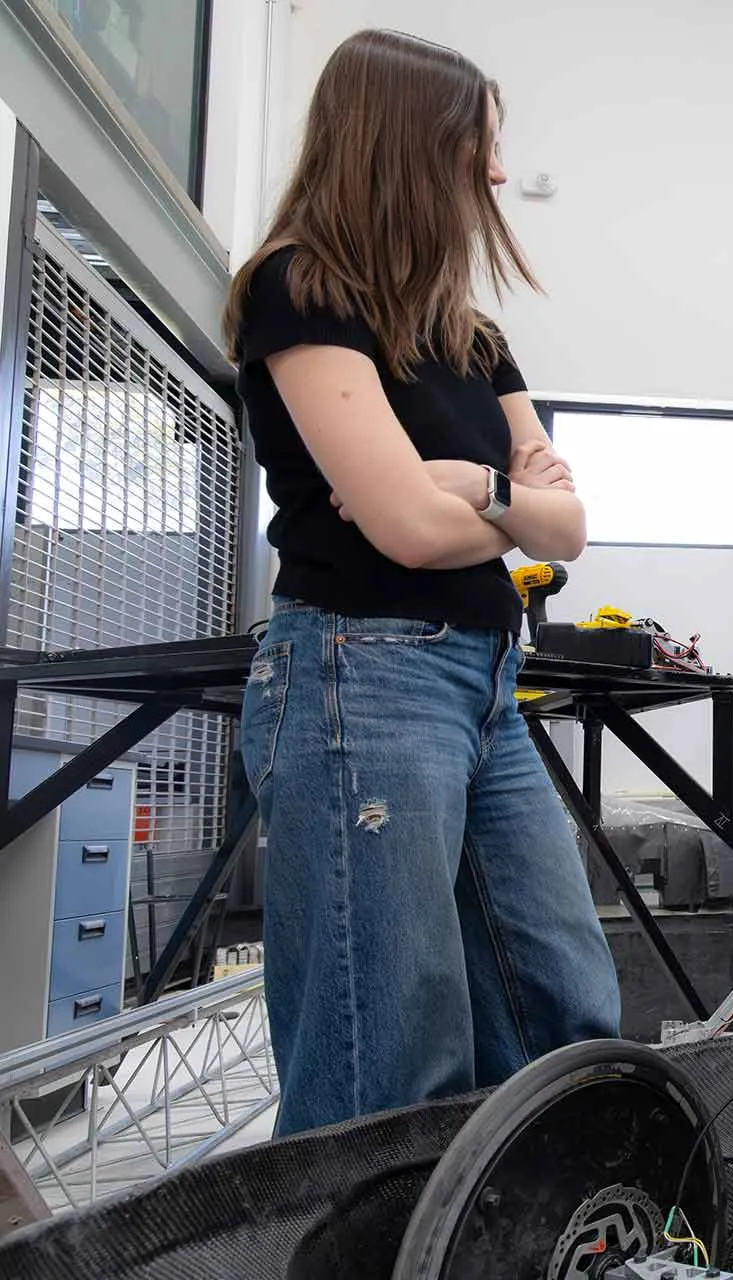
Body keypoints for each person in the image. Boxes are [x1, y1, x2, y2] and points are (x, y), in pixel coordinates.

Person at [223, 29, 621, 1136]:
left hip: (486, 685)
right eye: (479, 145)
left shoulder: (472, 336)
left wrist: (474, 487)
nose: (496, 172)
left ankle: (542, 1215)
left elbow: (568, 530)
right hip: (359, 673)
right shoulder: (301, 291)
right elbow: (402, 528)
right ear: (409, 144)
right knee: (388, 1052)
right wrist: (504, 504)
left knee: (564, 1008)